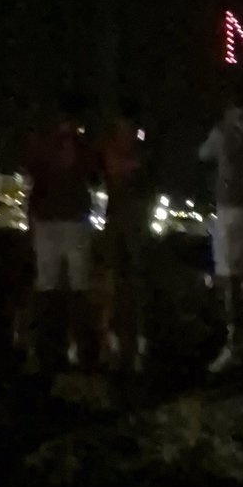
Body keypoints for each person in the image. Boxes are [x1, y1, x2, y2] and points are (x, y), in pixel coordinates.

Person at [199, 80, 243, 373]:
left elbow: (203, 154)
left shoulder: (223, 130)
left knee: (229, 277)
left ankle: (233, 343)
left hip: (230, 209)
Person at [26, 93, 95, 373]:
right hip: (71, 219)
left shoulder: (44, 142)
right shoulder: (79, 144)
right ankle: (79, 352)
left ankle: (47, 350)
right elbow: (91, 174)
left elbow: (34, 173)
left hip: (50, 219)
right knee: (76, 286)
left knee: (48, 284)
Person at [100, 99, 152, 372]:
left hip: (125, 217)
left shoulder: (120, 145)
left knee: (124, 278)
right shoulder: (134, 146)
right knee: (123, 278)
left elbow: (119, 170)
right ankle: (121, 337)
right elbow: (125, 170)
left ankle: (120, 336)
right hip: (127, 217)